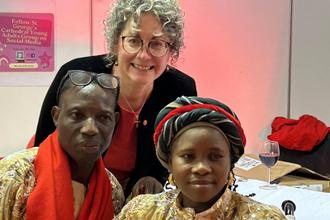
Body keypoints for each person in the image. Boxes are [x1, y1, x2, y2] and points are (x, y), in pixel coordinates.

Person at [31, 0, 197, 199]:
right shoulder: (75, 76)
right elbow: (42, 145)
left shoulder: (180, 90)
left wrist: (155, 176)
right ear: (115, 43)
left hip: (132, 201)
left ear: (171, 51)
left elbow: (178, 151)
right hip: (71, 185)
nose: (144, 55)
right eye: (133, 40)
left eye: (157, 44)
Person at [114, 96, 286, 219]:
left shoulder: (265, 217)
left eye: (215, 156)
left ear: (230, 163)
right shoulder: (140, 212)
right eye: (188, 156)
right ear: (169, 162)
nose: (202, 167)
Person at [0, 70, 124, 219]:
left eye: (104, 117)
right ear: (56, 116)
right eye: (77, 115)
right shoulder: (16, 174)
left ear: (115, 122)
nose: (90, 129)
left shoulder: (112, 189)